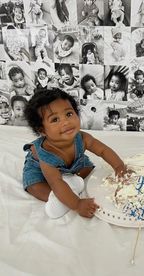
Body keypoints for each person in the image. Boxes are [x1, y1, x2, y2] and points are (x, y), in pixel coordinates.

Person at [22, 88, 130, 219]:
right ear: (42, 130)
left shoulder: (83, 138)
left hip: (71, 163)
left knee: (90, 171)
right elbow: (55, 182)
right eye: (55, 119)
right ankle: (60, 196)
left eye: (68, 114)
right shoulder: (46, 153)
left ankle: (68, 185)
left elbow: (103, 150)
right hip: (39, 169)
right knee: (35, 187)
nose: (66, 122)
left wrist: (119, 167)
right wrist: (77, 204)